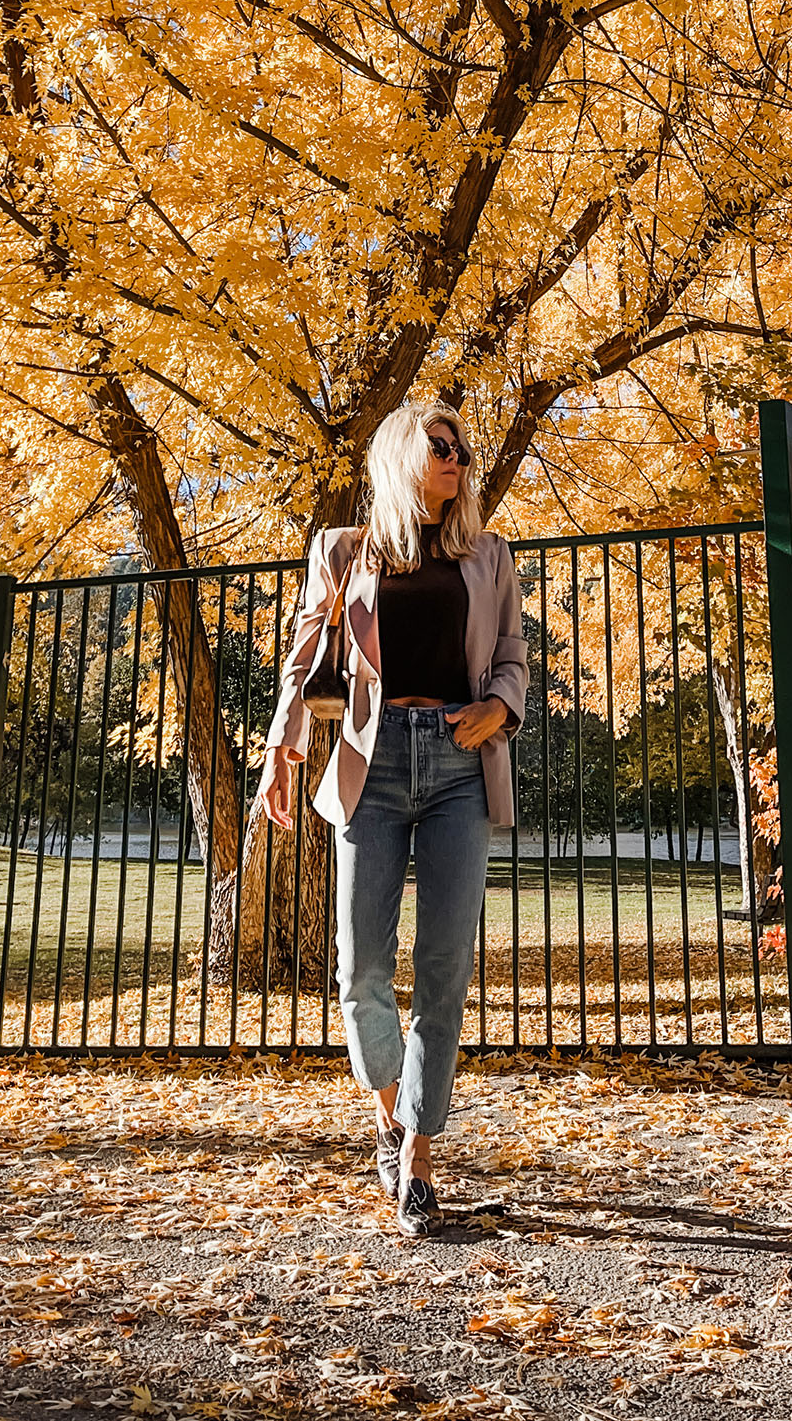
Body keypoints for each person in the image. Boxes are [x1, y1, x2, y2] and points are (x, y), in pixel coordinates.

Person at [256, 402, 529, 1236]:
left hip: (456, 766)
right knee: (358, 970)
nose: (457, 460)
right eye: (440, 446)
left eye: (462, 450)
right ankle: (388, 1113)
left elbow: (514, 653)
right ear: (404, 454)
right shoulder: (346, 549)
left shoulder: (488, 555)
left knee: (443, 968)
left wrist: (499, 708)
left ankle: (416, 1156)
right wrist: (279, 746)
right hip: (369, 767)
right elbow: (305, 652)